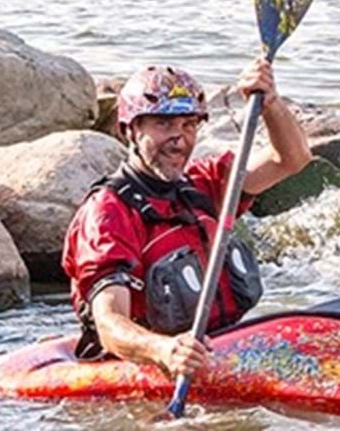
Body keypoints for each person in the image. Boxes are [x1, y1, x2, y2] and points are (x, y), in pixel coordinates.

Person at [62, 58, 313, 377]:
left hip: (215, 347)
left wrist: (270, 103)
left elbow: (292, 158)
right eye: (164, 125)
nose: (179, 139)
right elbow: (110, 323)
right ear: (130, 131)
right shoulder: (108, 213)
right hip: (144, 363)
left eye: (188, 125)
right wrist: (163, 350)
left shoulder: (204, 185)